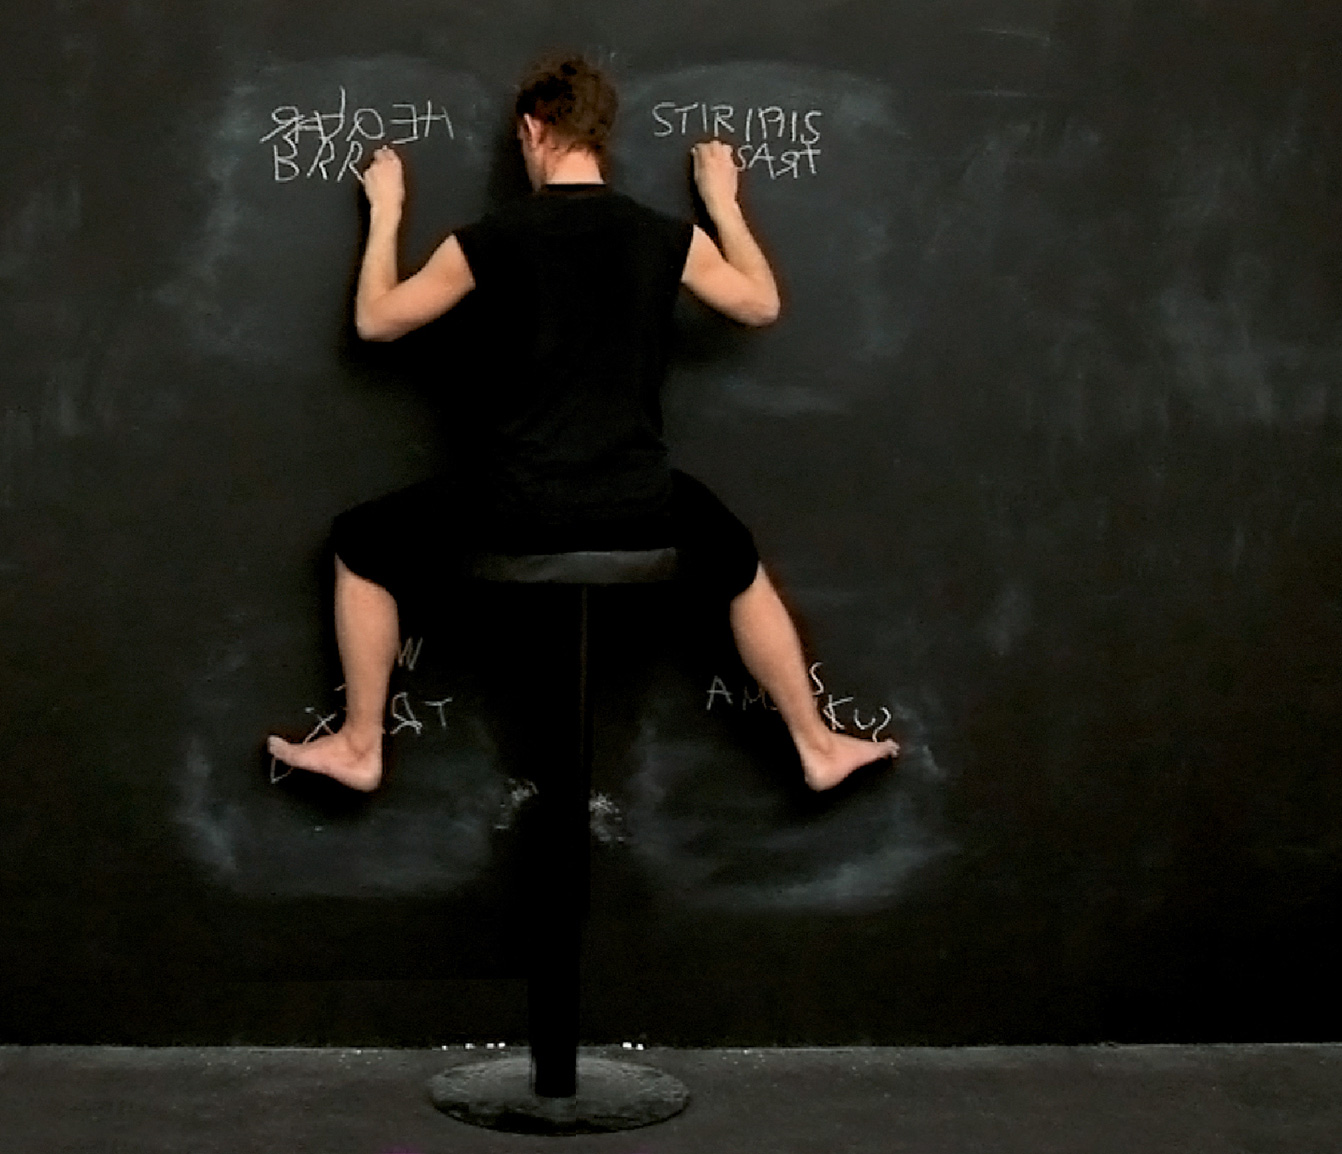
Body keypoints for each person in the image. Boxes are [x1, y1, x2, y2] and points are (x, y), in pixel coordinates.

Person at [267, 56, 898, 792]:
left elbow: (376, 320)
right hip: (640, 502)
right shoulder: (665, 237)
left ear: (534, 130)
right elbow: (759, 304)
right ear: (601, 134)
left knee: (360, 542)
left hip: (514, 504)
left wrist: (385, 213)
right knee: (738, 561)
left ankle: (360, 745)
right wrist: (722, 203)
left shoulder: (490, 239)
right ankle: (818, 746)